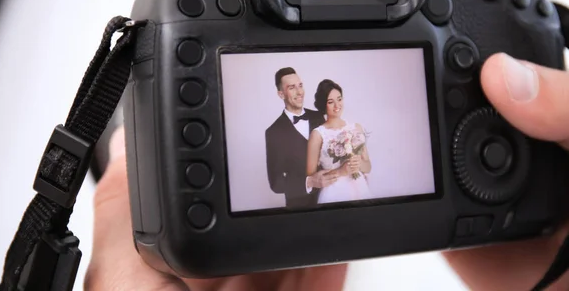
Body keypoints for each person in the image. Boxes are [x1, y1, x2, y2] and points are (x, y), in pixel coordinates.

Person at [86, 53, 569, 290]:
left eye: (323, 94)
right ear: (286, 95)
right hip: (326, 200)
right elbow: (298, 180)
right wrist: (329, 177)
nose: (315, 97)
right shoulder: (303, 134)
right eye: (298, 89)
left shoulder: (348, 125)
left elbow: (371, 164)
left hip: (360, 191)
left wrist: (359, 163)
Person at [264, 67, 337, 208]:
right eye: (292, 88)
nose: (299, 92)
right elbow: (276, 183)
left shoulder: (318, 117)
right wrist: (310, 182)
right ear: (281, 94)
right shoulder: (273, 132)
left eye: (300, 85)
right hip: (300, 208)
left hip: (330, 198)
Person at [306, 79, 372, 204]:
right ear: (323, 105)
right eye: (331, 102)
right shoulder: (318, 135)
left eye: (339, 99)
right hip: (333, 192)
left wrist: (358, 165)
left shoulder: (356, 128)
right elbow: (311, 177)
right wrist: (341, 171)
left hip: (360, 189)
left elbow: (368, 166)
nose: (337, 105)